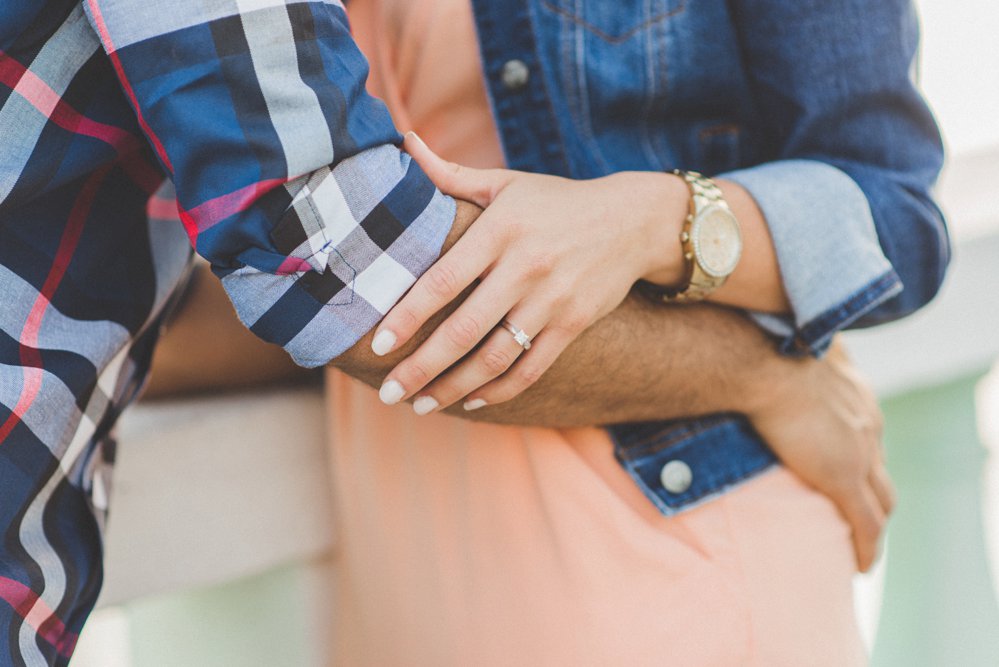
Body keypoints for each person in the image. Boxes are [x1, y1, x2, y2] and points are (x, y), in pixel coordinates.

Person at [0, 1, 946, 666]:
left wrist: (653, 218)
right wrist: (766, 376)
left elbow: (898, 214)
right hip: (403, 531)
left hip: (664, 525)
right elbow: (312, 266)